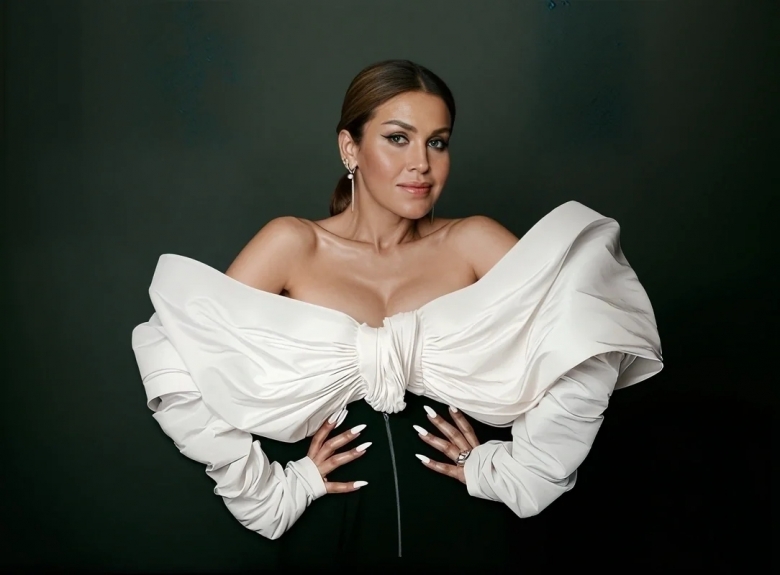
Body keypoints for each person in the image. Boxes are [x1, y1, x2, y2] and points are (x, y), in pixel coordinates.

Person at [131, 59, 663, 569]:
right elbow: (177, 355)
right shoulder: (292, 245)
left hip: (467, 522)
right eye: (398, 138)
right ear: (350, 147)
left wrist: (520, 469)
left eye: (438, 142)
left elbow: (589, 337)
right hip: (330, 521)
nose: (422, 164)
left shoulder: (473, 243)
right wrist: (272, 489)